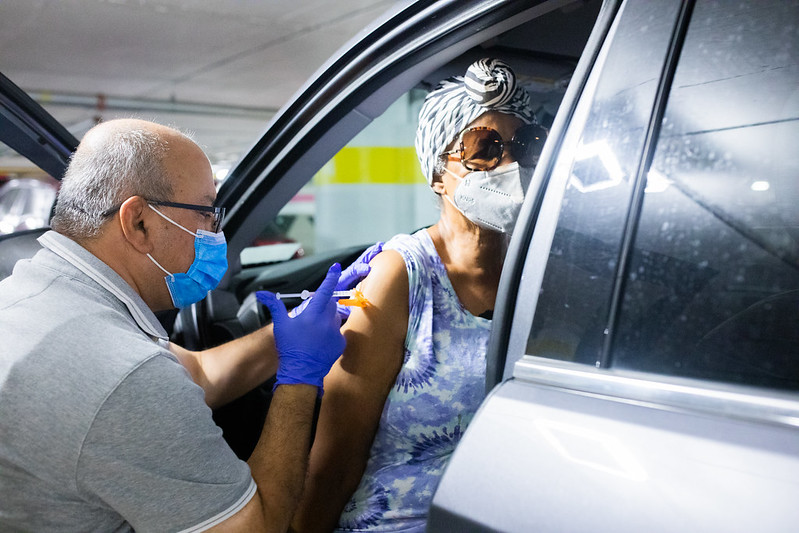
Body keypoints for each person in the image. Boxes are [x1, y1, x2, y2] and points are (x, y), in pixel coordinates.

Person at [0, 118, 379, 532]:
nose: (215, 233)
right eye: (206, 213)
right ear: (138, 221)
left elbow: (196, 374)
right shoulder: (124, 375)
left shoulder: (36, 295)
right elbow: (258, 527)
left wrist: (288, 335)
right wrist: (300, 378)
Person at [291, 58, 547, 532]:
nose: (509, 163)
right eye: (483, 148)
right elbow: (337, 458)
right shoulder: (402, 275)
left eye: (523, 145)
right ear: (436, 174)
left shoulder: (543, 272)